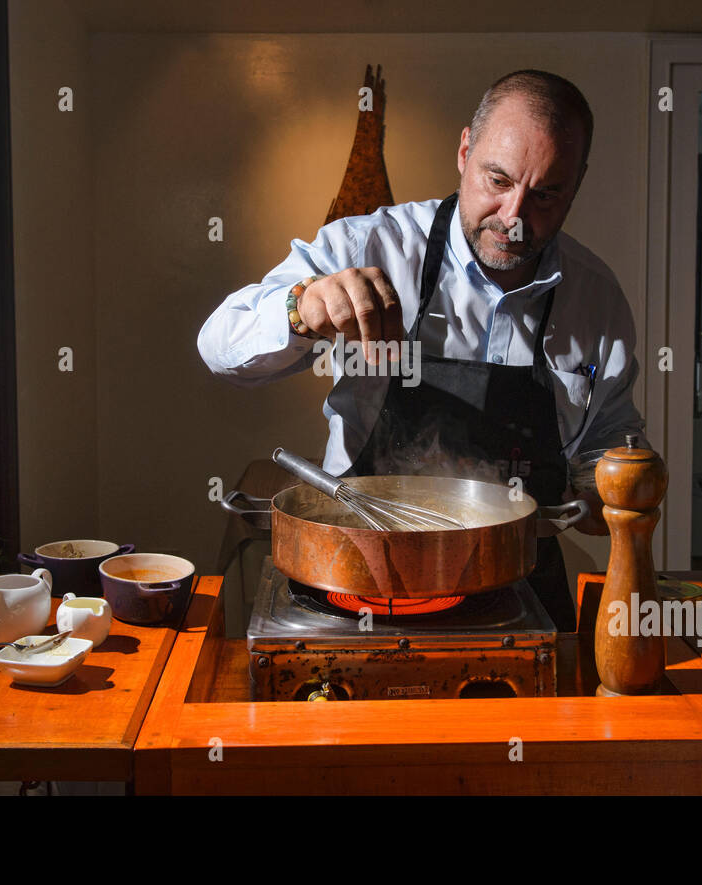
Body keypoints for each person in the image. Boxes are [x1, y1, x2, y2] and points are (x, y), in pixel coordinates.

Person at [197, 69, 647, 631]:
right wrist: (303, 308)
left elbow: (609, 439)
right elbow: (219, 343)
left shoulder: (596, 299)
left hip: (518, 584)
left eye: (546, 194)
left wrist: (608, 483)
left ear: (577, 184)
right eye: (498, 180)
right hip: (360, 575)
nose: (514, 217)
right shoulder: (370, 244)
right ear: (464, 152)